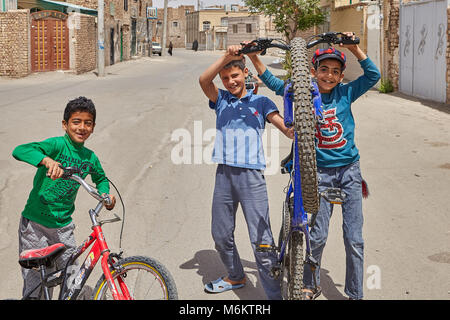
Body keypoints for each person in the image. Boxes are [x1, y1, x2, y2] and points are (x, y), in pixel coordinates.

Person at [245, 33, 381, 300]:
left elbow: (373, 76)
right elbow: (274, 83)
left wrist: (355, 49)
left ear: (341, 76)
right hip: (317, 173)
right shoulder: (304, 91)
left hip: (349, 171)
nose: (328, 76)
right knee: (316, 236)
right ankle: (309, 283)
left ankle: (355, 294)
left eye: (334, 72)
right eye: (323, 70)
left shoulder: (346, 93)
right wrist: (253, 57)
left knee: (354, 240)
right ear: (313, 72)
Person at [199, 45, 294, 300]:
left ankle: (275, 296)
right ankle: (236, 275)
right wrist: (226, 58)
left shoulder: (261, 102)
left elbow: (284, 127)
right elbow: (203, 80)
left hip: (252, 177)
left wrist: (296, 128)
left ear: (246, 74)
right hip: (224, 175)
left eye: (235, 76)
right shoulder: (221, 100)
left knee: (262, 241)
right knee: (220, 234)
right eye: (226, 78)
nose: (231, 82)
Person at [12, 96, 116, 299]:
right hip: (35, 226)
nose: (82, 127)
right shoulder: (57, 145)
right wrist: (46, 160)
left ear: (93, 127)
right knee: (38, 286)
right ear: (65, 124)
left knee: (73, 280)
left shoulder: (89, 157)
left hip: (63, 229)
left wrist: (105, 194)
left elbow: (101, 178)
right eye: (76, 122)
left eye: (88, 123)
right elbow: (20, 150)